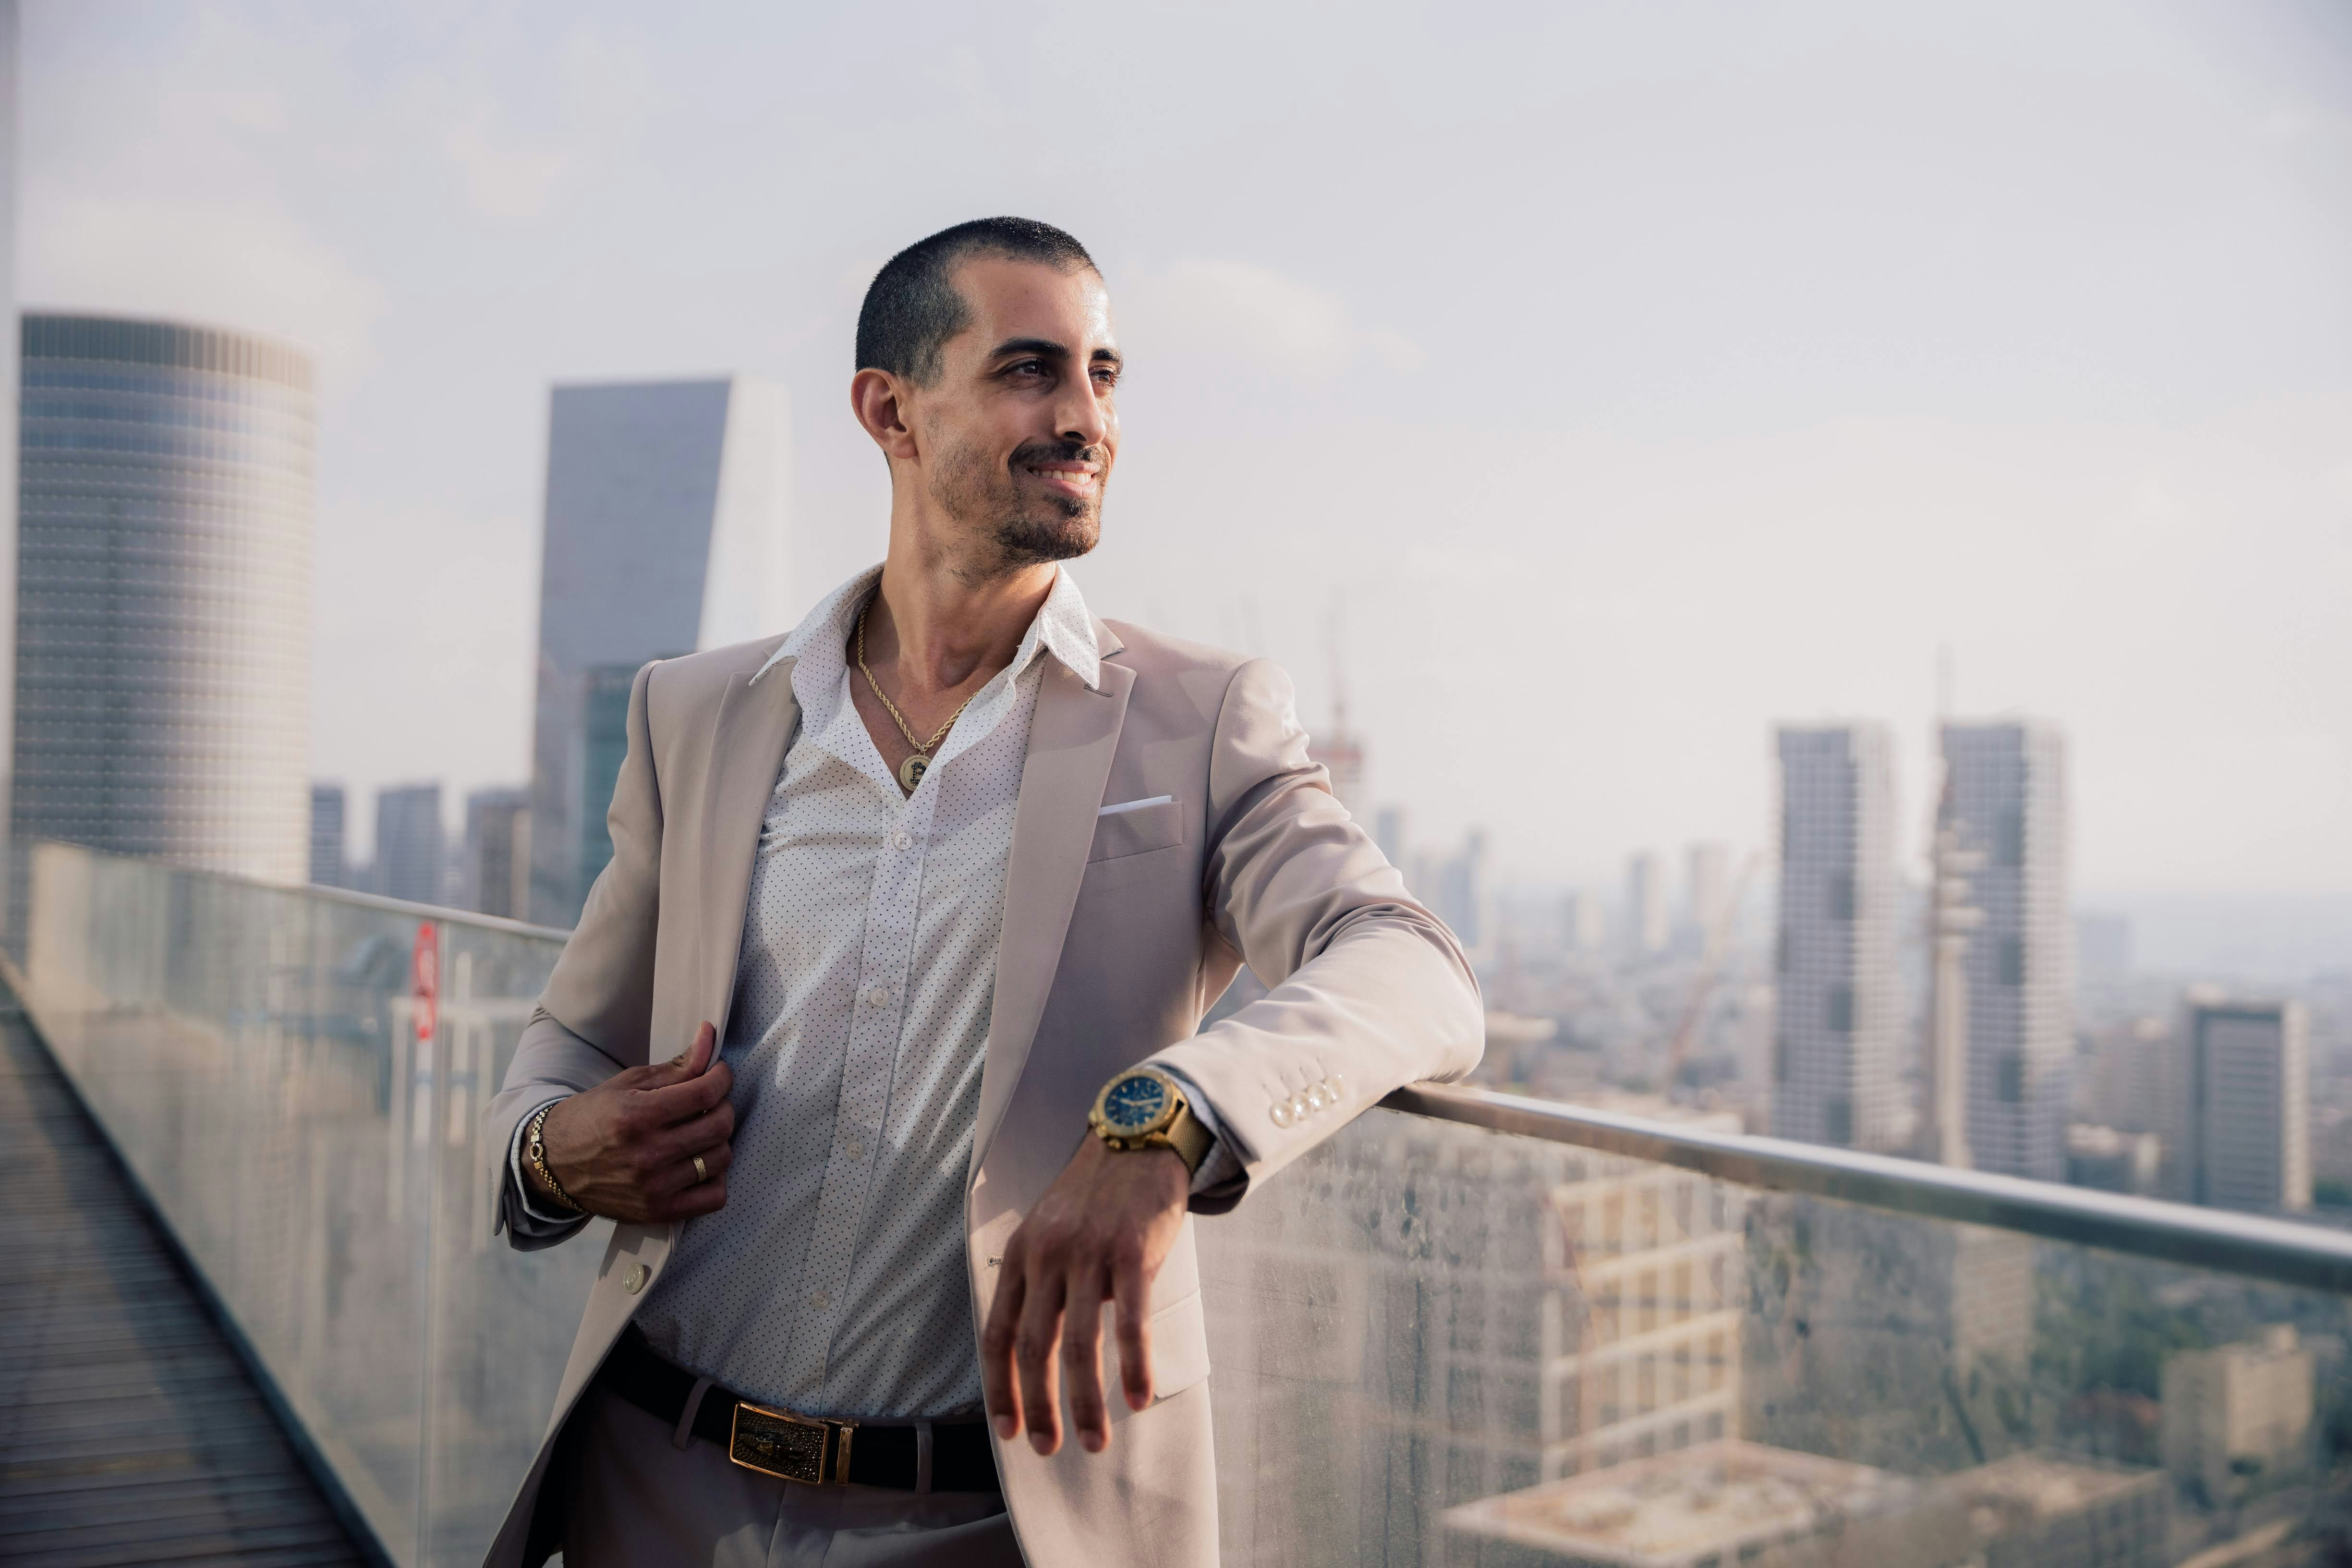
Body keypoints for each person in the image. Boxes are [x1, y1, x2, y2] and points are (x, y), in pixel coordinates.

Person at [481, 216, 1481, 1568]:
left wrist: (1163, 1123)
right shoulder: (699, 710)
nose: (1085, 419)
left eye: (1104, 374)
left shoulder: (1199, 719)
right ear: (887, 411)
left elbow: (1408, 964)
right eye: (1030, 370)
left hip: (994, 1517)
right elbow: (574, 1034)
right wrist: (551, 1149)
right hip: (656, 1489)